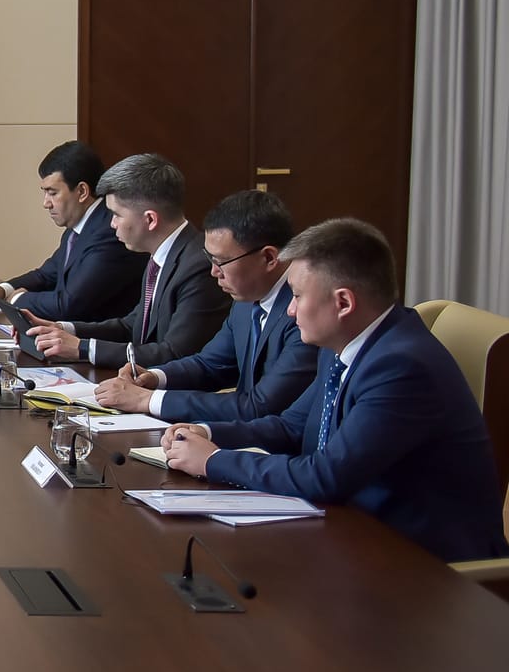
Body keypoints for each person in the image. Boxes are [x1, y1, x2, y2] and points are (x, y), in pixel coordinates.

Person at [163, 218, 508, 563]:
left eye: (297, 296)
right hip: (356, 531)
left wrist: (213, 461)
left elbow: (326, 476)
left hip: (424, 562)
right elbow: (292, 427)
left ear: (343, 303)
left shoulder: (402, 367)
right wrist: (206, 433)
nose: (289, 310)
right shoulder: (346, 342)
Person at [94, 190, 317, 420]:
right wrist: (154, 377)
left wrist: (147, 400)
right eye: (210, 258)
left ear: (269, 258)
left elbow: (259, 406)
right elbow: (210, 364)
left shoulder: (305, 313)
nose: (213, 272)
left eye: (221, 261)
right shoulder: (247, 298)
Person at [23, 153, 229, 367]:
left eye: (117, 215)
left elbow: (174, 354)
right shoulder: (160, 255)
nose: (111, 224)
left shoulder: (199, 267)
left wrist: (82, 349)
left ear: (150, 219)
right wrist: (63, 329)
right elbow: (132, 326)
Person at [0, 141, 144, 322]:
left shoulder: (110, 232)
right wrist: (3, 289)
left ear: (82, 191)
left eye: (52, 193)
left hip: (97, 337)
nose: (45, 203)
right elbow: (46, 275)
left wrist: (16, 299)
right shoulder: (78, 228)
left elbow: (68, 306)